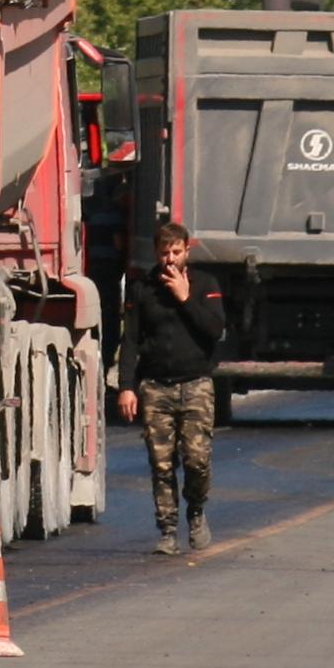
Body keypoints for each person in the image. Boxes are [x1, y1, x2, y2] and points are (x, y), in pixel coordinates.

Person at [117, 221, 226, 555]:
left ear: (186, 251)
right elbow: (131, 340)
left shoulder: (205, 284)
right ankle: (167, 529)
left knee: (197, 460)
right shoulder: (143, 289)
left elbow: (215, 329)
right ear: (156, 253)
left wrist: (185, 297)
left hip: (196, 385)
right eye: (164, 253)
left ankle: (196, 510)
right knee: (161, 464)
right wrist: (126, 387)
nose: (169, 259)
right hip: (156, 387)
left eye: (176, 252)